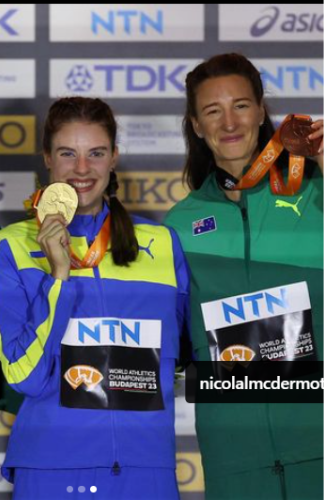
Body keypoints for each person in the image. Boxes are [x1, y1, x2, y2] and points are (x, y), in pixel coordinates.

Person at [0, 97, 189, 499]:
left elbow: (180, 357)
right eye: (68, 153)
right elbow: (24, 376)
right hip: (51, 465)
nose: (82, 168)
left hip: (146, 464)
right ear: (48, 158)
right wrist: (58, 278)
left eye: (96, 153)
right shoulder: (11, 245)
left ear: (114, 157)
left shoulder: (163, 243)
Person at [164, 53, 323, 500]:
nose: (229, 122)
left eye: (241, 105)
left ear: (260, 111)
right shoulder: (178, 224)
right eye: (213, 111)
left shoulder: (314, 189)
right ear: (196, 126)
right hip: (234, 455)